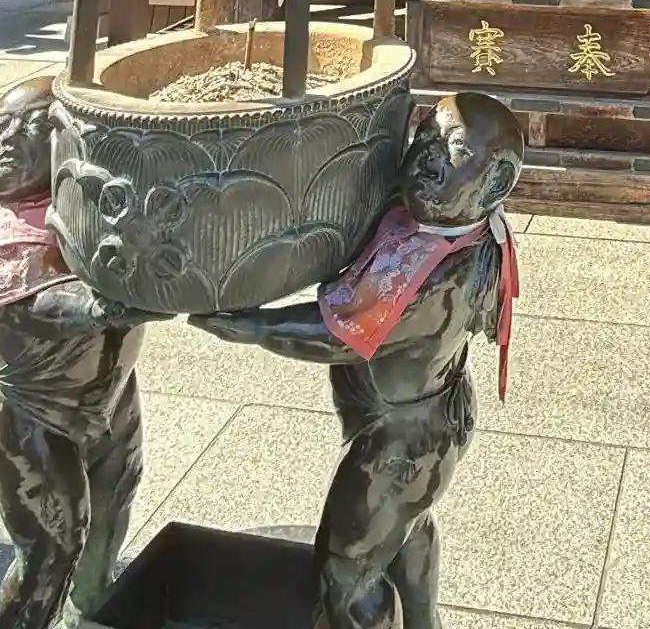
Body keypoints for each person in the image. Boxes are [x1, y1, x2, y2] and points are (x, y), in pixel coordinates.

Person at [193, 91, 523, 629]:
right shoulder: (451, 225)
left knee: (346, 571)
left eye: (456, 149)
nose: (430, 156)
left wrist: (251, 326)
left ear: (496, 183)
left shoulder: (445, 276)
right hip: (424, 418)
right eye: (425, 137)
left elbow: (339, 335)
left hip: (403, 442)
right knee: (406, 526)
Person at [0, 76, 161, 629]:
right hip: (36, 420)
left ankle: (92, 609)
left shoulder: (88, 211)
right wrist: (102, 308)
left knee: (113, 507)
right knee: (51, 552)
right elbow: (24, 307)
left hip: (113, 396)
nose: (9, 140)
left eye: (33, 128)